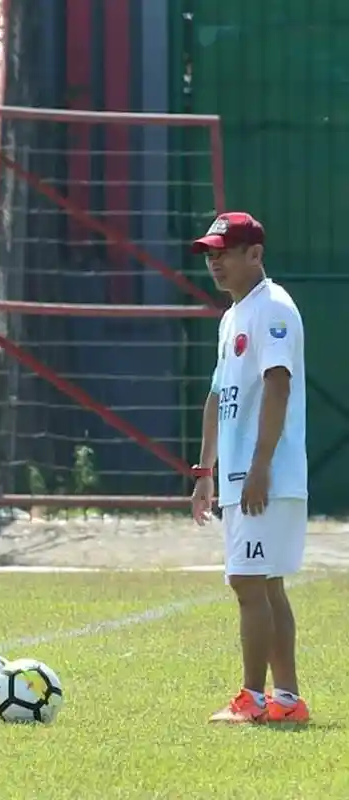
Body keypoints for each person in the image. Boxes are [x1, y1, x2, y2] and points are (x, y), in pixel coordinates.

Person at [190, 212, 310, 725]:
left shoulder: (273, 307)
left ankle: (253, 699)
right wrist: (205, 472)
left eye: (224, 251)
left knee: (247, 581)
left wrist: (260, 466)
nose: (214, 261)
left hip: (266, 474)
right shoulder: (232, 315)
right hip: (241, 475)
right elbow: (219, 396)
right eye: (210, 253)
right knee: (266, 584)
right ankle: (286, 700)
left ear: (254, 255)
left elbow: (277, 386)